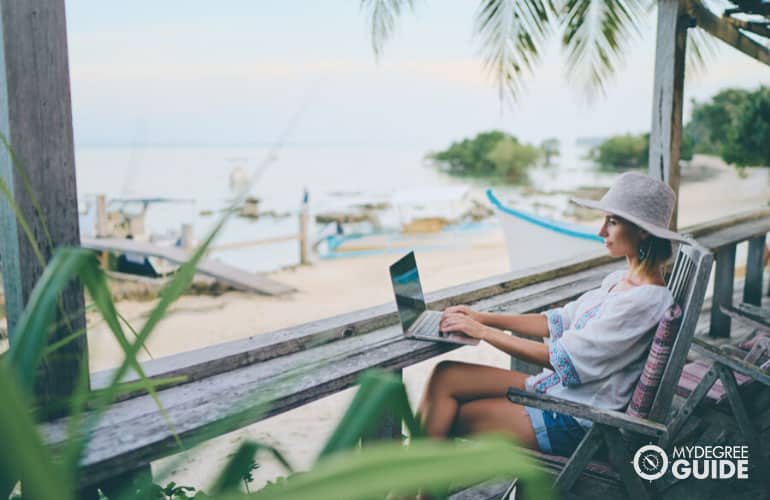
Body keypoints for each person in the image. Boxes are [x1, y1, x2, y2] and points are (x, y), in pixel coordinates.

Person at [418, 172, 692, 457]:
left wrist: (484, 334)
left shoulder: (644, 301)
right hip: (556, 392)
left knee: (443, 416)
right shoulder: (619, 281)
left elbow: (563, 360)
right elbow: (556, 320)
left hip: (578, 420)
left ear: (642, 230)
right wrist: (482, 317)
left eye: (612, 222)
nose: (601, 231)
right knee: (445, 375)